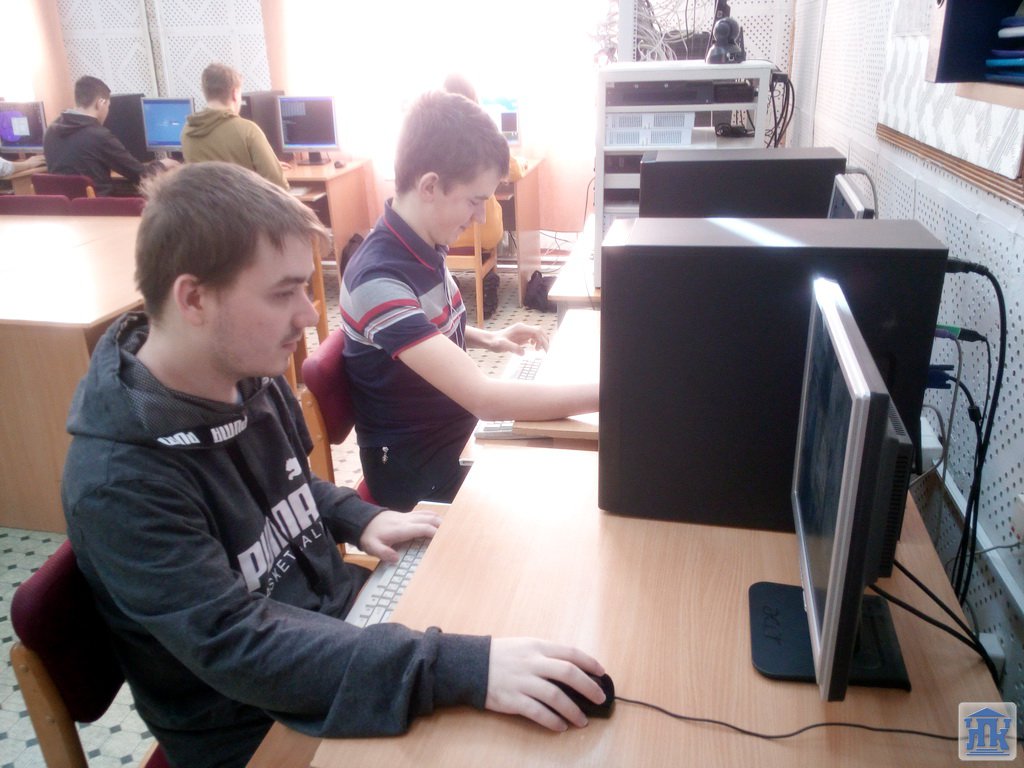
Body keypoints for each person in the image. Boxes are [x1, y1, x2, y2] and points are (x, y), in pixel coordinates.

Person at [61, 161, 607, 768]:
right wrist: (463, 669)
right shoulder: (120, 485)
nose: (309, 315)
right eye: (283, 293)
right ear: (193, 298)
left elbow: (289, 487)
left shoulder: (244, 376)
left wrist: (356, 516)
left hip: (338, 628)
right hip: (251, 721)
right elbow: (241, 647)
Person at [339, 91, 598, 512]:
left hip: (454, 437)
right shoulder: (378, 278)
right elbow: (484, 399)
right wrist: (613, 394)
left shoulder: (421, 242)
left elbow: (420, 329)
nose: (480, 217)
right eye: (475, 201)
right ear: (429, 186)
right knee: (567, 492)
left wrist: (488, 337)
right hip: (419, 472)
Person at [43, 75, 171, 196]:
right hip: (98, 207)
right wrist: (163, 164)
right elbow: (140, 175)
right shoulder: (98, 136)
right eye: (108, 106)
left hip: (63, 209)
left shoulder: (51, 131)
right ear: (100, 103)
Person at [181, 62, 289, 189]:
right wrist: (271, 168)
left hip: (206, 202)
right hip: (245, 202)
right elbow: (278, 185)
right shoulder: (248, 130)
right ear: (234, 93)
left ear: (205, 93)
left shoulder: (187, 131)